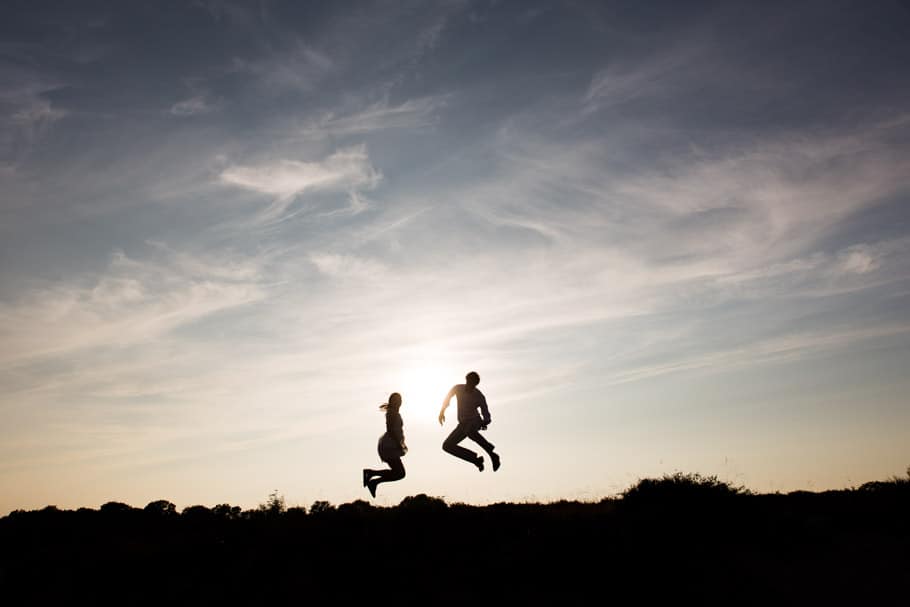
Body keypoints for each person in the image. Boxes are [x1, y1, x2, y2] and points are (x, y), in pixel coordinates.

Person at [438, 371, 500, 472]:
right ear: (466, 380)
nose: (469, 387)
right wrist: (442, 411)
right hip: (462, 424)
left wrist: (485, 422)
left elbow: (486, 413)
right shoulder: (458, 388)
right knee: (447, 446)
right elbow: (447, 398)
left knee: (470, 431)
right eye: (469, 383)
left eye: (472, 385)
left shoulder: (479, 395)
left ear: (476, 385)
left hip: (475, 421)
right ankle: (475, 460)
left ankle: (492, 453)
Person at [362, 392, 407, 498]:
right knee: (400, 473)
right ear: (392, 401)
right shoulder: (391, 413)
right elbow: (390, 430)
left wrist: (401, 443)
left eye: (400, 400)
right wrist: (398, 444)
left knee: (399, 473)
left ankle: (373, 479)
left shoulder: (394, 412)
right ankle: (371, 475)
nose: (399, 402)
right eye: (396, 400)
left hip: (391, 445)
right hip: (389, 446)